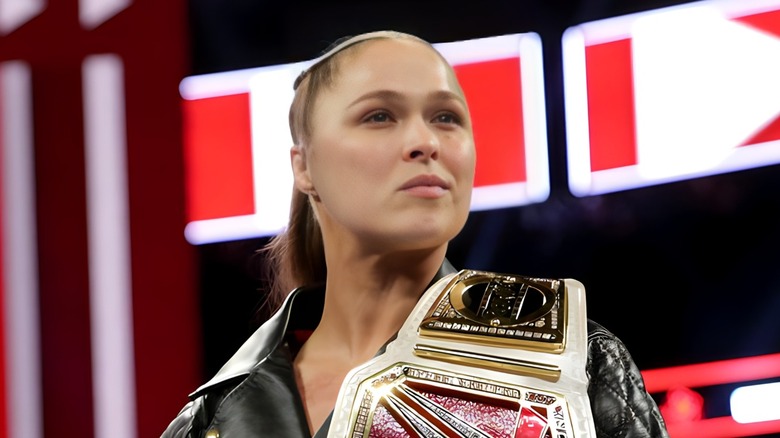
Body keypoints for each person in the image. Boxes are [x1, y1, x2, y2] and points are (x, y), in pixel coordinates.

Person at [162, 30, 669, 438]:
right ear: (305, 167)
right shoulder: (210, 419)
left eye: (446, 117)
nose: (425, 142)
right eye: (379, 116)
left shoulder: (576, 362)